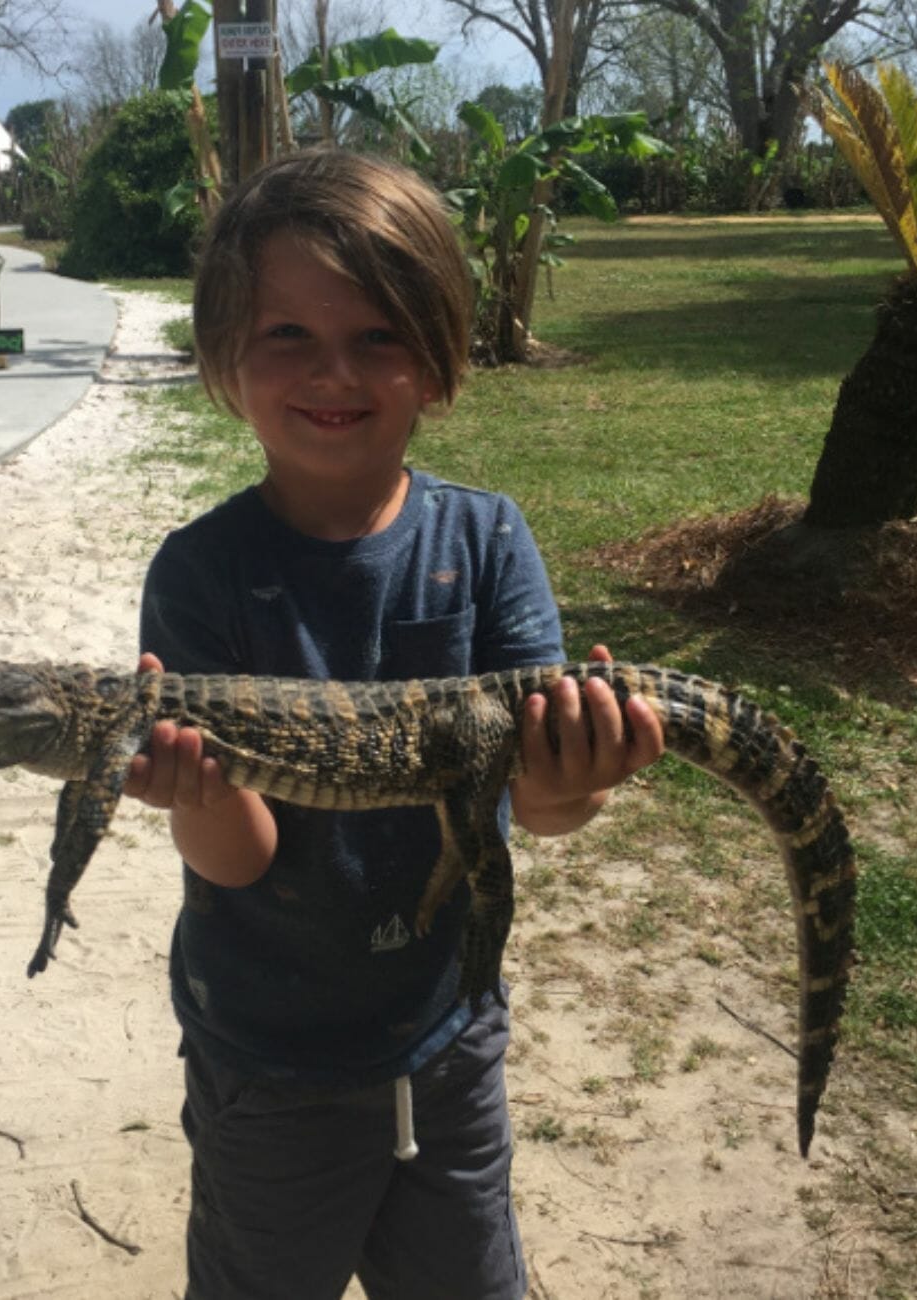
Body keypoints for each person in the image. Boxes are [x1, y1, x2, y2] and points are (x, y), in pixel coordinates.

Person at [125, 148, 666, 1300]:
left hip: (448, 1040)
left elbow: (538, 808)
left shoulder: (487, 541)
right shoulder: (199, 574)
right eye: (289, 334)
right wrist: (198, 796)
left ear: (437, 356)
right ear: (225, 355)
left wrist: (579, 772)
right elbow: (241, 859)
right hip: (268, 1061)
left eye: (377, 334)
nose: (336, 371)